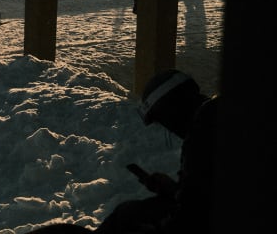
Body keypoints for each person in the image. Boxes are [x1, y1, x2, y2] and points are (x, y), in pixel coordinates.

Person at [28, 69, 218, 234]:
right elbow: (201, 195)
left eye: (164, 120)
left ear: (174, 110)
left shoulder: (202, 135)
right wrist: (173, 189)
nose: (171, 129)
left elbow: (191, 215)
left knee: (125, 216)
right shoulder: (215, 117)